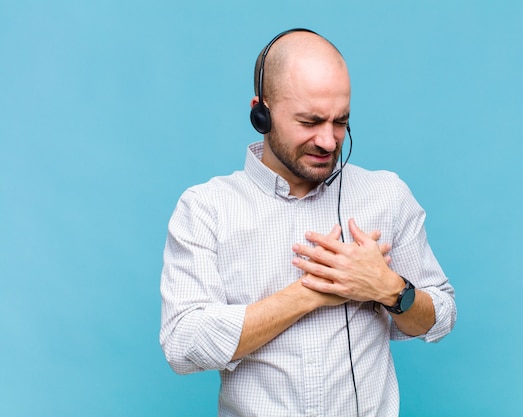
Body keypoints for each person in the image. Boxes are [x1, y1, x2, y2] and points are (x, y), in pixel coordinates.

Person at [160, 28, 456, 417]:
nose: (330, 141)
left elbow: (441, 314)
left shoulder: (387, 194)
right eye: (310, 121)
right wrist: (310, 293)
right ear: (260, 114)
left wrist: (389, 289)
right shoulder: (206, 208)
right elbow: (183, 344)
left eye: (340, 121)